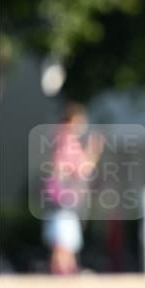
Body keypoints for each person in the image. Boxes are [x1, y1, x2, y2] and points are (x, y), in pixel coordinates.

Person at [42, 103, 104, 274]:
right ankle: (62, 268)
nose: (81, 125)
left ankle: (66, 267)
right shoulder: (65, 140)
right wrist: (94, 151)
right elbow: (82, 168)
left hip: (63, 193)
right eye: (79, 121)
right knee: (63, 233)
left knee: (64, 232)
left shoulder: (60, 137)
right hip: (64, 193)